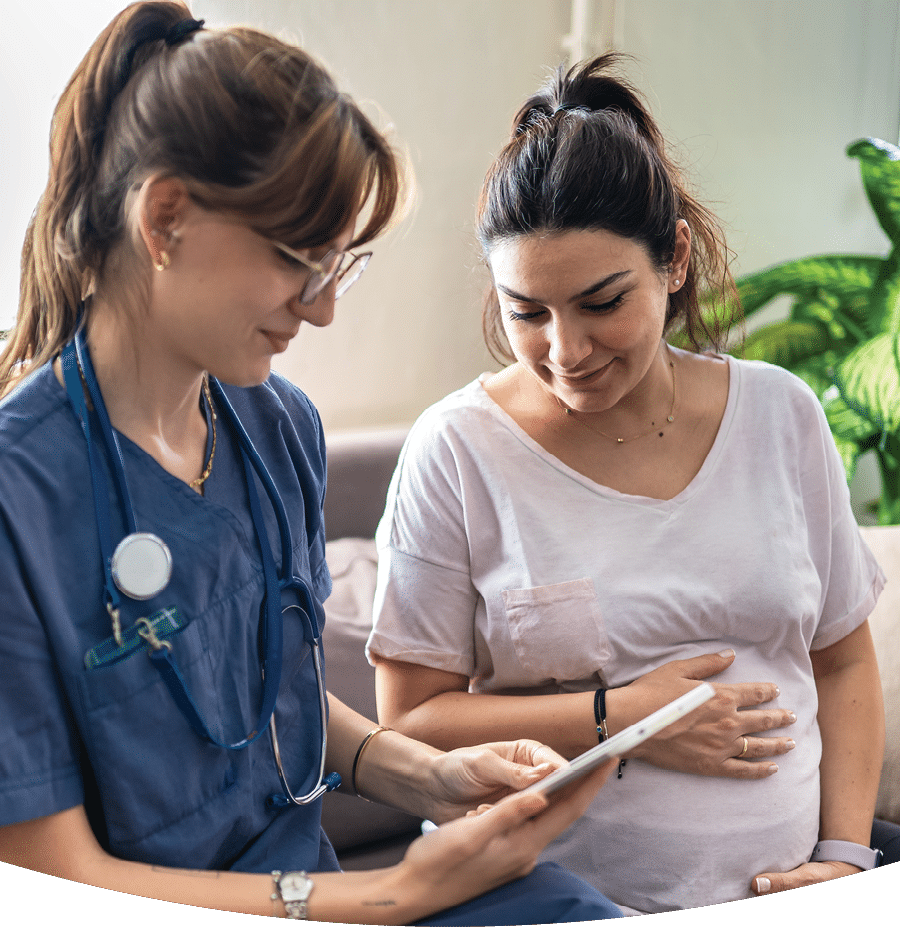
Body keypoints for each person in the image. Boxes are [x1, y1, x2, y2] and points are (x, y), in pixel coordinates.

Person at [0, 6, 625, 922]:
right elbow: (52, 881)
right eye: (301, 262)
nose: (322, 311)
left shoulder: (278, 426)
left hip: (324, 892)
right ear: (165, 218)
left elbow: (270, 695)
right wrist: (392, 891)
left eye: (342, 266)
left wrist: (432, 775)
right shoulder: (22, 495)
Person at [368, 54, 892, 914]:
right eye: (527, 312)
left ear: (674, 259)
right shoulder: (457, 449)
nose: (565, 351)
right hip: (546, 894)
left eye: (602, 301)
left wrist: (843, 856)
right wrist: (624, 718)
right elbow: (411, 725)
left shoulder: (780, 414)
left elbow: (841, 661)